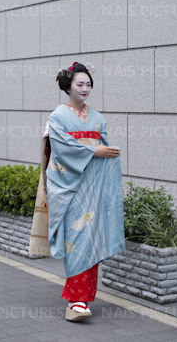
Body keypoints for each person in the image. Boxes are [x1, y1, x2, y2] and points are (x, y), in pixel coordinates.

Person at [29, 61, 125, 322]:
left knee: (91, 238)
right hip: (70, 187)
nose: (85, 88)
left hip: (92, 188)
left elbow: (105, 151)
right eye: (80, 84)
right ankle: (76, 300)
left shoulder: (97, 118)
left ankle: (82, 299)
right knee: (77, 239)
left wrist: (106, 161)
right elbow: (62, 150)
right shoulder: (58, 116)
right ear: (68, 86)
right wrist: (95, 150)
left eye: (89, 84)